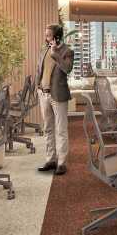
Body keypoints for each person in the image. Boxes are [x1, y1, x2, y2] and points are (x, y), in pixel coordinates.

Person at [37, 24, 75, 175]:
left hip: (58, 95)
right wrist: (38, 86)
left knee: (61, 130)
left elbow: (67, 69)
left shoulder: (67, 51)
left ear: (57, 37)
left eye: (48, 35)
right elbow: (40, 70)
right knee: (48, 128)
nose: (46, 38)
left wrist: (55, 54)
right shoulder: (44, 49)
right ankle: (50, 160)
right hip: (43, 94)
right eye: (45, 35)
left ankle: (62, 163)